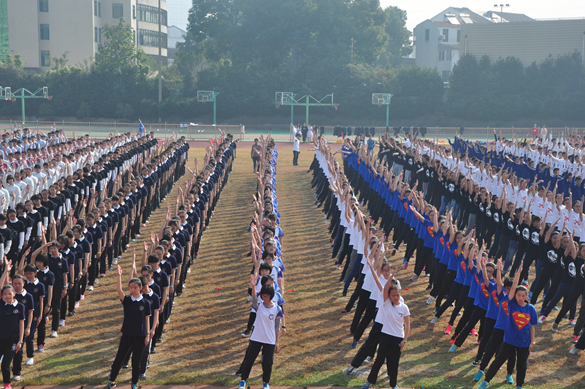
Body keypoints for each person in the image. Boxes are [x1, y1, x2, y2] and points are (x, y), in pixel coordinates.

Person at [478, 261, 537, 389]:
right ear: (514, 295)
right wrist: (518, 273)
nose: (520, 297)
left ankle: (519, 385)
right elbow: (506, 284)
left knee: (522, 365)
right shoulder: (512, 304)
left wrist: (532, 343)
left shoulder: (531, 309)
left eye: (523, 295)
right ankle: (486, 380)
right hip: (509, 340)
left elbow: (532, 327)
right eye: (518, 295)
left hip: (523, 343)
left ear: (527, 296)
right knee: (498, 359)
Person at [103, 265, 151, 389]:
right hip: (127, 334)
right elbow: (119, 291)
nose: (133, 289)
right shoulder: (128, 301)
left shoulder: (145, 303)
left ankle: (134, 383)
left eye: (135, 287)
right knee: (119, 358)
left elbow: (147, 319)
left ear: (141, 288)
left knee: (136, 361)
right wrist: (119, 276)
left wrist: (148, 334)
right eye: (130, 287)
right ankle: (112, 381)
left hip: (140, 336)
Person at [360, 281, 410, 389]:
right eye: (393, 295)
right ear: (389, 296)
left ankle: (393, 385)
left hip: (398, 338)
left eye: (397, 295)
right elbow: (385, 288)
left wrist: (404, 340)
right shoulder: (386, 303)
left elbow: (407, 325)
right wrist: (391, 277)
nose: (396, 297)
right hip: (385, 336)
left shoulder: (404, 307)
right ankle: (369, 382)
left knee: (394, 362)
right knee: (379, 360)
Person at [238, 279, 283, 389]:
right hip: (256, 338)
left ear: (271, 295)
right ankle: (243, 381)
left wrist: (277, 342)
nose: (264, 297)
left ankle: (265, 383)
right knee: (249, 360)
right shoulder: (258, 306)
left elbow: (277, 327)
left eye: (267, 296)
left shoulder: (277, 309)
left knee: (267, 363)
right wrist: (253, 287)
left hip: (270, 340)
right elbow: (254, 299)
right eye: (263, 295)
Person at [0, 262, 25, 389]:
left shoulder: (20, 307)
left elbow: (21, 324)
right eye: (5, 294)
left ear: (14, 294)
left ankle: (7, 384)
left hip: (13, 340)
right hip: (1, 339)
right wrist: (6, 271)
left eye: (9, 293)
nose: (7, 296)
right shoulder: (1, 304)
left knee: (5, 364)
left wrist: (20, 340)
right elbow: (1, 285)